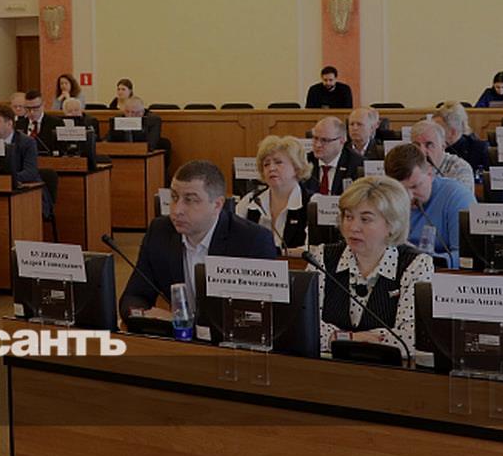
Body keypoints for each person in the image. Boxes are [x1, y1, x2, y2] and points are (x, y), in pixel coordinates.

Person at [119, 161, 277, 319]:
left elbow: (261, 316)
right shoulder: (160, 232)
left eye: (190, 200)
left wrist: (189, 324)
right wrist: (143, 314)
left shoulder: (253, 240)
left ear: (217, 205)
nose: (177, 210)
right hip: (176, 333)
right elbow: (134, 296)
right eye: (174, 197)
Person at [318, 176, 435, 357]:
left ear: (392, 224)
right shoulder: (323, 257)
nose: (353, 227)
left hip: (387, 371)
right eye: (348, 217)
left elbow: (412, 337)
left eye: (365, 219)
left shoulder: (416, 264)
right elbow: (304, 325)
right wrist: (352, 338)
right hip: (326, 368)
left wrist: (333, 338)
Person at [384, 144, 474, 267]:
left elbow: (466, 258)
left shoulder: (457, 196)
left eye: (415, 186)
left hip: (438, 273)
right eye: (400, 190)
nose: (409, 197)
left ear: (430, 174)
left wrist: (421, 259)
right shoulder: (385, 199)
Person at [234, 136, 314, 253]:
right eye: (266, 164)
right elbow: (234, 240)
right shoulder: (251, 201)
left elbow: (312, 250)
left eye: (278, 162)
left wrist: (278, 254)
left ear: (296, 167)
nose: (271, 168)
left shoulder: (312, 203)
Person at [0, 104, 46, 214]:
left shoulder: (27, 142)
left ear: (9, 124)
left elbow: (30, 172)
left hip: (28, 194)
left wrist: (6, 180)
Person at [304, 116, 362, 196]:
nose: (318, 145)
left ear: (342, 140)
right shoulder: (304, 162)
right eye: (315, 138)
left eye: (324, 140)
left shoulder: (357, 164)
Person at [411, 120, 475, 192]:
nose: (421, 151)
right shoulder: (409, 166)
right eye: (416, 145)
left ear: (443, 146)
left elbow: (459, 197)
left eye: (429, 144)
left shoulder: (459, 168)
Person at [434, 102, 488, 173]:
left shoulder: (479, 149)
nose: (434, 133)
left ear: (453, 132)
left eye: (438, 130)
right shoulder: (431, 147)